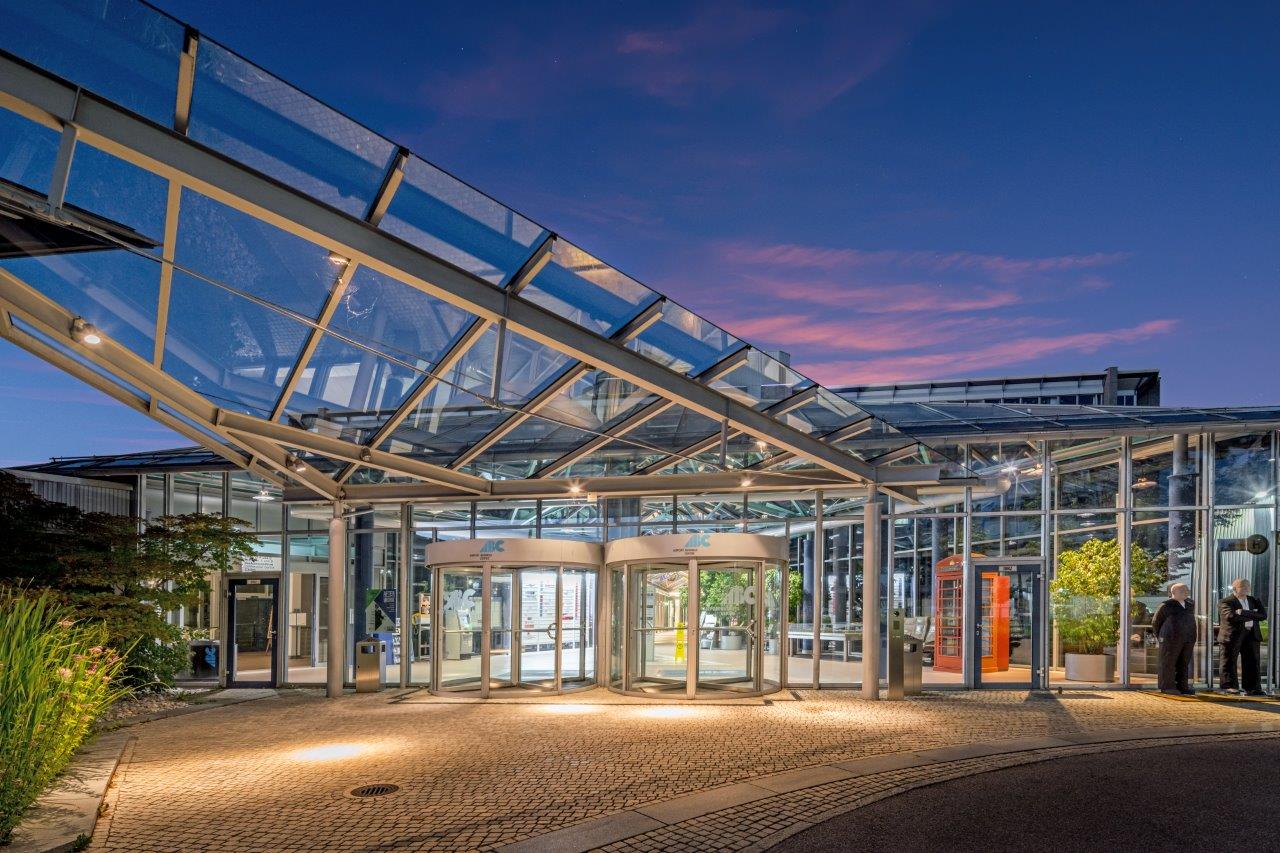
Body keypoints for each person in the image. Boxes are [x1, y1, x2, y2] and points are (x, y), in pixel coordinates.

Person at [1217, 578, 1267, 696]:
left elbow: (1263, 615)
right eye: (1243, 586)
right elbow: (1231, 616)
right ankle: (1229, 686)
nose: (1247, 588)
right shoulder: (1226, 601)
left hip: (1251, 635)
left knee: (1252, 661)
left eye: (1248, 586)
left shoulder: (1254, 600)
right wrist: (1253, 615)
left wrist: (1243, 612)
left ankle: (1253, 688)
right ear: (1235, 588)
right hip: (1232, 636)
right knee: (1229, 661)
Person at [1152, 582, 1197, 695]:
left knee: (1184, 663)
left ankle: (1183, 686)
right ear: (1173, 592)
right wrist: (1161, 637)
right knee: (1168, 663)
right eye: (1182, 591)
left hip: (1188, 639)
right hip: (1170, 639)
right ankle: (1167, 686)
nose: (1186, 592)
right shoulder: (1166, 605)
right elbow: (1156, 622)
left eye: (1187, 590)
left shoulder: (1190, 604)